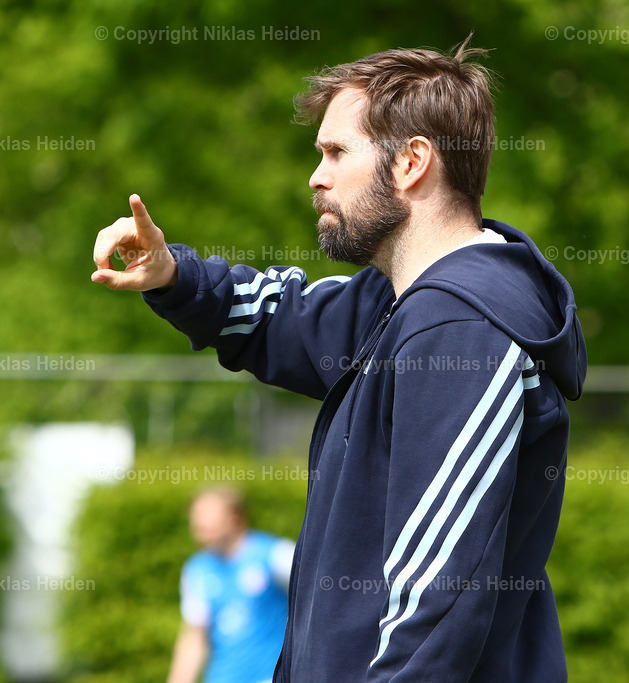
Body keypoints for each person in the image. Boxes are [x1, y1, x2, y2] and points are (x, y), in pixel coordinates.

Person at [93, 36, 585, 683]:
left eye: (336, 152)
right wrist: (171, 274)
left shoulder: (461, 330)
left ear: (412, 162)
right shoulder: (396, 302)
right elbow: (278, 319)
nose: (316, 176)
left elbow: (435, 602)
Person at [166, 486, 294, 683]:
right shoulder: (197, 569)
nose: (199, 524)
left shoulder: (276, 554)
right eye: (195, 517)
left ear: (235, 518)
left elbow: (313, 606)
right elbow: (195, 636)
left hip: (269, 677)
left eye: (207, 515)